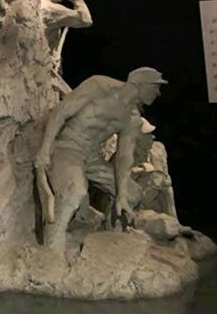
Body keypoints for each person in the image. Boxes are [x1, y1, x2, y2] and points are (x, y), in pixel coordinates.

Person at [34, 67, 166, 252]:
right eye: (155, 87)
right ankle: (52, 250)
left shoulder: (133, 119)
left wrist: (121, 195)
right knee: (75, 191)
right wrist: (44, 149)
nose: (158, 93)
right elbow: (61, 111)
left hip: (92, 157)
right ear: (140, 84)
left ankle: (109, 240)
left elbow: (124, 157)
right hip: (67, 147)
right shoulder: (99, 86)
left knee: (131, 193)